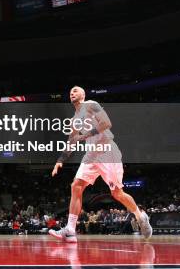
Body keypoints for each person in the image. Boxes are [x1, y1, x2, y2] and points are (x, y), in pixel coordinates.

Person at [49, 86, 152, 242]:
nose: (72, 92)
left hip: (106, 150)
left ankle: (140, 215)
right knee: (76, 185)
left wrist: (85, 136)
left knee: (117, 193)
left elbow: (106, 123)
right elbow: (71, 142)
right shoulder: (74, 120)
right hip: (91, 154)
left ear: (83, 95)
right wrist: (60, 161)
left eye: (76, 90)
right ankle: (70, 230)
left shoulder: (91, 104)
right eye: (70, 91)